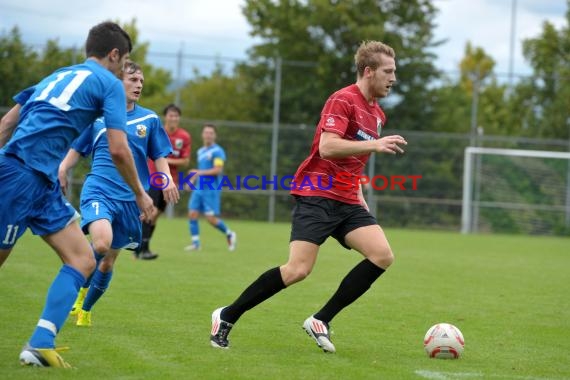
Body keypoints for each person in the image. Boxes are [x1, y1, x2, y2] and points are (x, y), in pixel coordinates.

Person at [209, 40, 407, 353]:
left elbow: (352, 164)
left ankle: (321, 320)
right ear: (369, 71)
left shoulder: (377, 114)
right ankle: (227, 315)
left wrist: (363, 206)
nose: (393, 78)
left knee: (382, 255)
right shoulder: (342, 100)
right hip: (317, 195)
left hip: (348, 200)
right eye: (388, 71)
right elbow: (328, 147)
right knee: (297, 270)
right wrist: (374, 145)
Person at [0, 22, 155, 368]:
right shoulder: (108, 85)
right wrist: (141, 194)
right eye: (124, 60)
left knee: (84, 260)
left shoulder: (57, 75)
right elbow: (118, 149)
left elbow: (7, 124)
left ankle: (41, 342)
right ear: (114, 55)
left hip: (40, 182)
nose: (124, 69)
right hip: (21, 175)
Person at [58, 61, 179, 327]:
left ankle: (85, 310)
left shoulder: (149, 119)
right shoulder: (97, 117)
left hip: (130, 198)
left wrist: (167, 179)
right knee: (101, 243)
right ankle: (78, 281)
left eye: (141, 82)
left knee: (109, 261)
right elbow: (77, 148)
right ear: (117, 82)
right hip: (99, 189)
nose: (138, 85)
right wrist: (64, 168)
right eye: (133, 80)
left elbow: (159, 155)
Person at [137, 104, 191, 259]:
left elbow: (186, 161)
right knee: (150, 211)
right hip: (154, 177)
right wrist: (163, 161)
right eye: (170, 115)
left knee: (156, 214)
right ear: (165, 117)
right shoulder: (158, 131)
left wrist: (166, 161)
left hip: (171, 181)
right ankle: (142, 249)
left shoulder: (184, 136)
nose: (173, 118)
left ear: (179, 118)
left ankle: (142, 246)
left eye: (176, 115)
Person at [184, 124, 236, 252]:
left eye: (211, 133)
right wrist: (191, 180)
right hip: (198, 189)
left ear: (215, 135)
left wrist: (197, 173)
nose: (208, 135)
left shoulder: (218, 151)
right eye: (206, 132)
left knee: (210, 219)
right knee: (192, 214)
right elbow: (200, 171)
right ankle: (196, 244)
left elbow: (217, 170)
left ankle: (229, 233)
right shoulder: (200, 151)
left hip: (211, 189)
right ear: (202, 135)